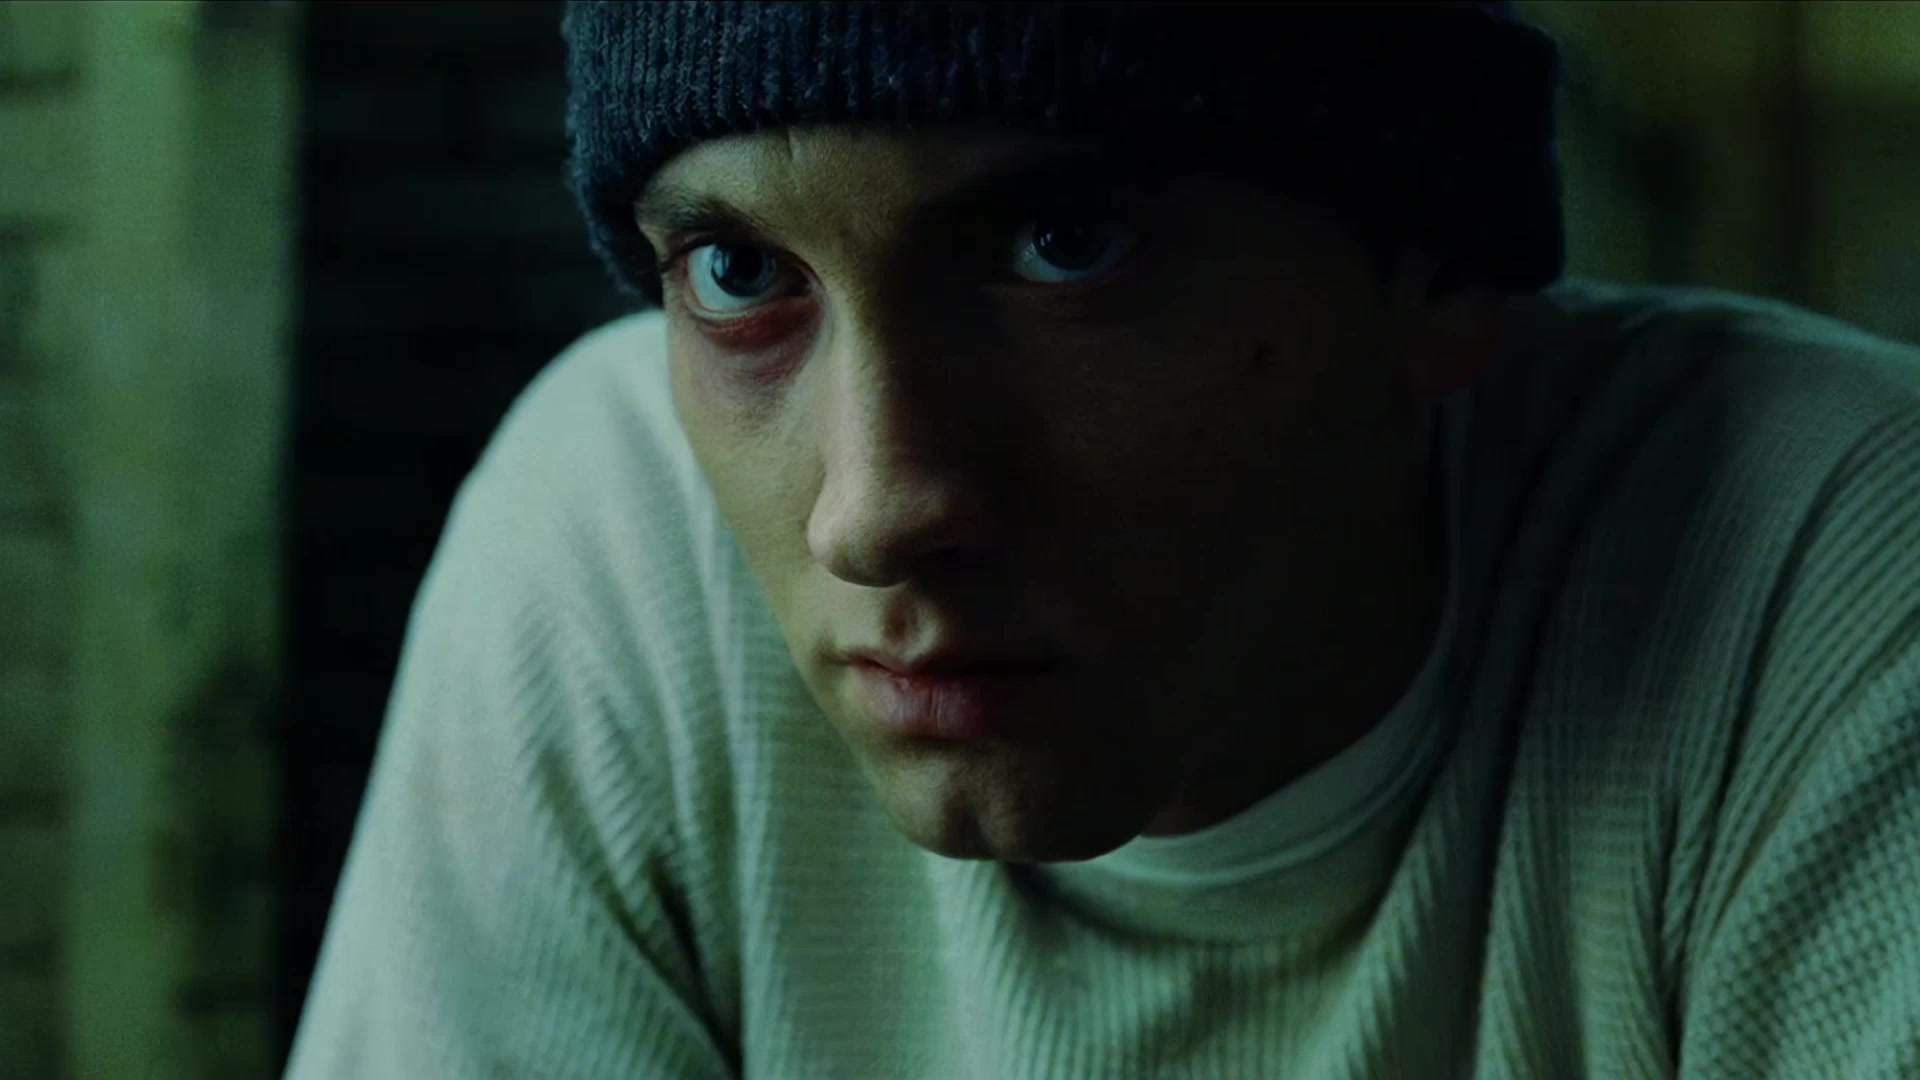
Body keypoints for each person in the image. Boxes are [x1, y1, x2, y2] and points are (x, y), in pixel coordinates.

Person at [285, 2, 1920, 1077]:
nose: (874, 510)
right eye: (739, 274)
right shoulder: (621, 532)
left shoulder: (1833, 569)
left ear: (1436, 272)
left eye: (1063, 247)